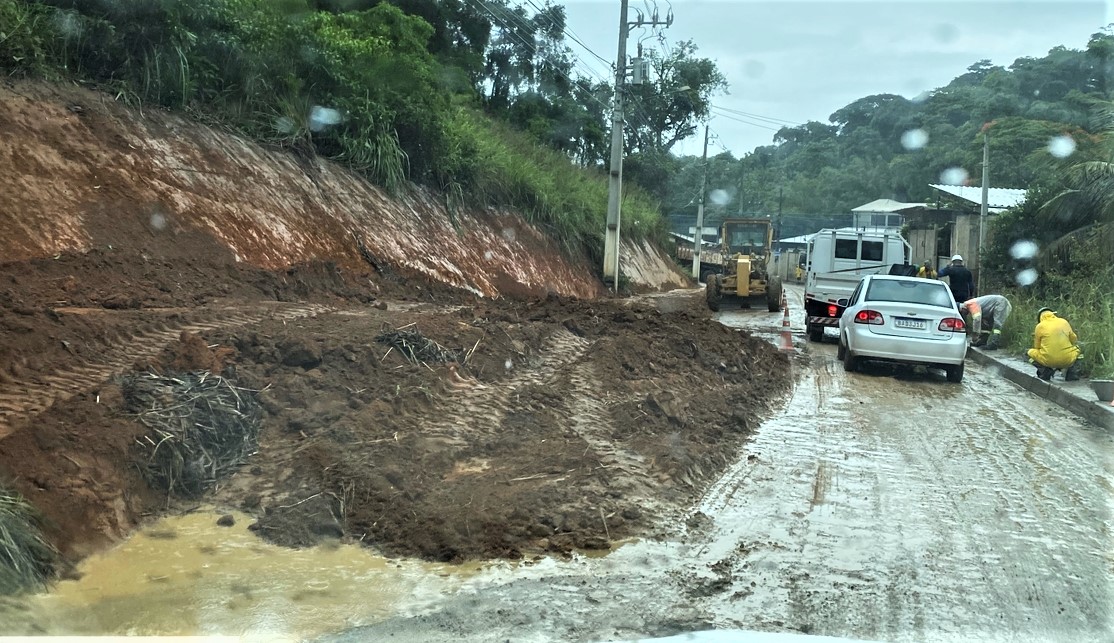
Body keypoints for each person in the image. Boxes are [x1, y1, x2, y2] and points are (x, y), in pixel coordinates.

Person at [1027, 307, 1082, 381]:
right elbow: (1074, 339)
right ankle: (1072, 373)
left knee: (1028, 353)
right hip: (1067, 360)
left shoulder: (1039, 326)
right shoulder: (1064, 322)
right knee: (1080, 351)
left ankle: (1044, 371)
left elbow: (1037, 347)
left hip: (1048, 361)